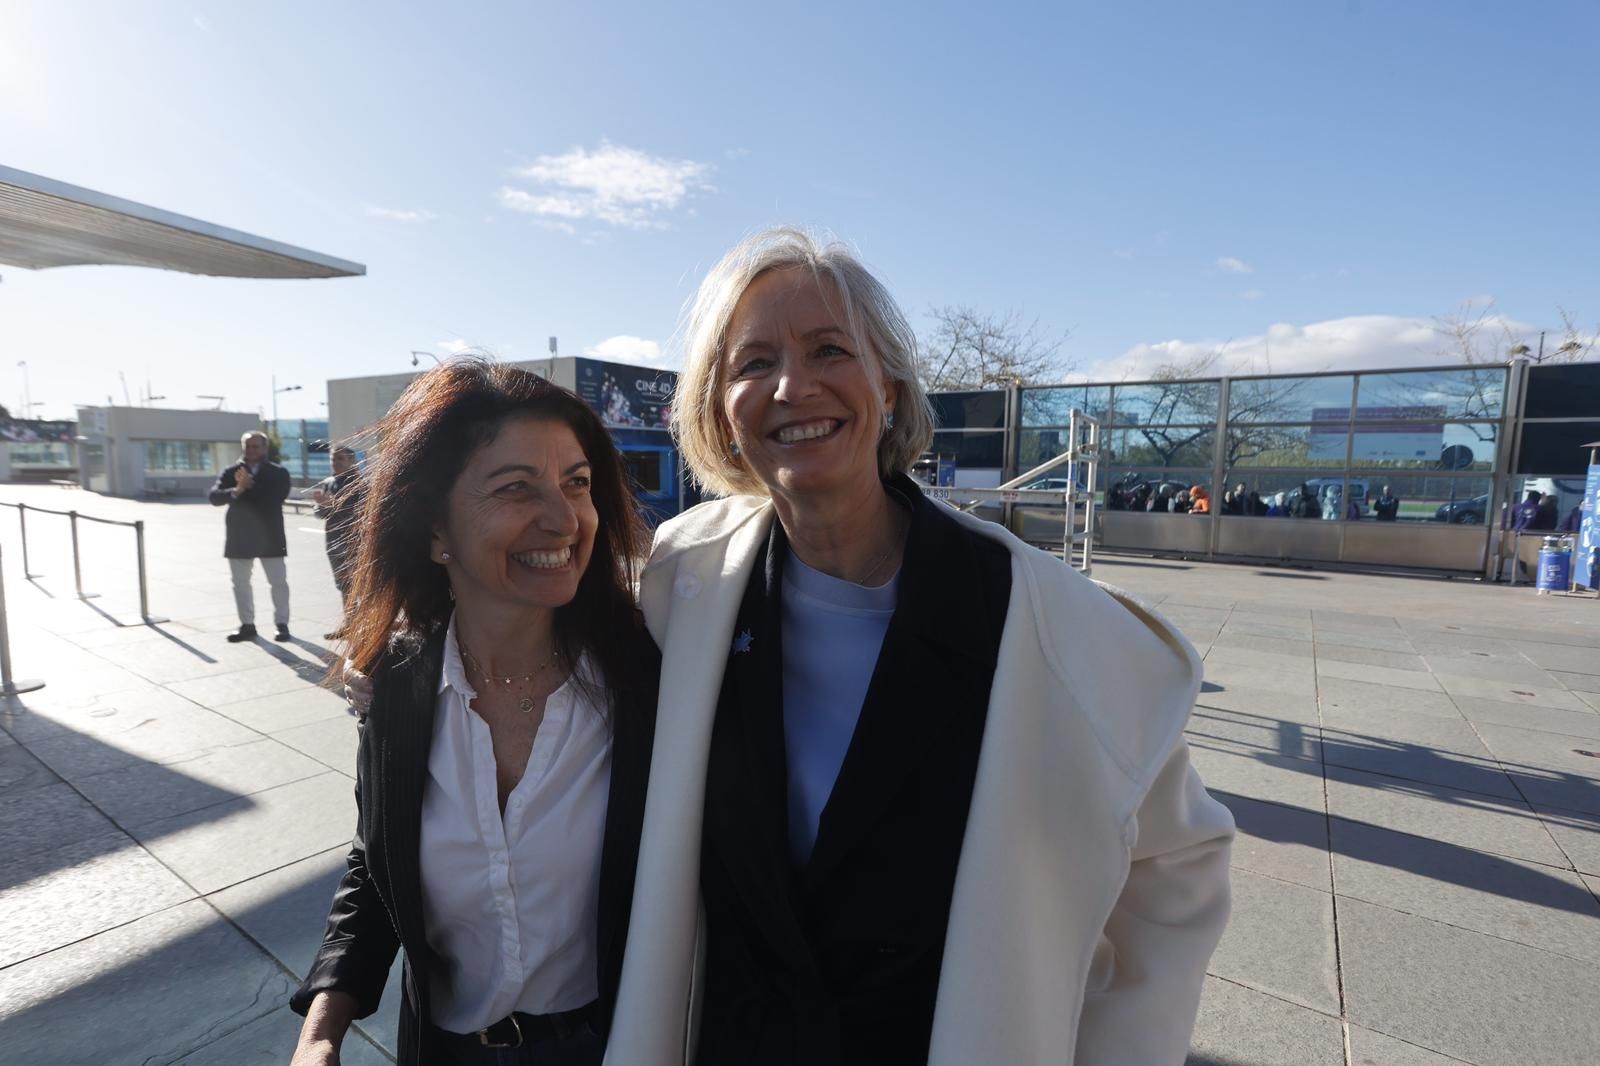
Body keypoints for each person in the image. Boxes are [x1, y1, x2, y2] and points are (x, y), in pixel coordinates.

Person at [604, 228, 1234, 1066]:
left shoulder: (1042, 620)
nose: (793, 386)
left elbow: (1177, 866)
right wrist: (399, 660)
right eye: (753, 364)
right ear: (719, 411)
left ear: (890, 389)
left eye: (830, 349)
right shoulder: (687, 579)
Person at [290, 362, 658, 1066]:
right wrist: (322, 1029)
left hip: (615, 1047)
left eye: (577, 484)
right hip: (446, 1049)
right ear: (435, 532)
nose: (564, 518)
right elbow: (376, 864)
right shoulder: (398, 687)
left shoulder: (650, 678)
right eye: (516, 488)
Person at [208, 431, 293, 642]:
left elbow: (275, 498)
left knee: (278, 582)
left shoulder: (279, 472)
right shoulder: (231, 472)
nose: (251, 450)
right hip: (240, 536)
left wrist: (246, 488)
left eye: (256, 446)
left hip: (269, 536)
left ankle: (282, 624)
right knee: (240, 583)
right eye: (248, 446)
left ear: (264, 448)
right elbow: (214, 497)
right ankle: (247, 625)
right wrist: (237, 489)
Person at [312, 445, 366, 637]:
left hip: (354, 542)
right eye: (333, 459)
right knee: (344, 585)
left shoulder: (358, 482)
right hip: (333, 541)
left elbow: (359, 510)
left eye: (340, 459)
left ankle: (367, 628)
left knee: (360, 586)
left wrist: (332, 505)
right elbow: (319, 512)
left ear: (352, 461)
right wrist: (321, 506)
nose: (335, 463)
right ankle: (350, 624)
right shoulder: (329, 481)